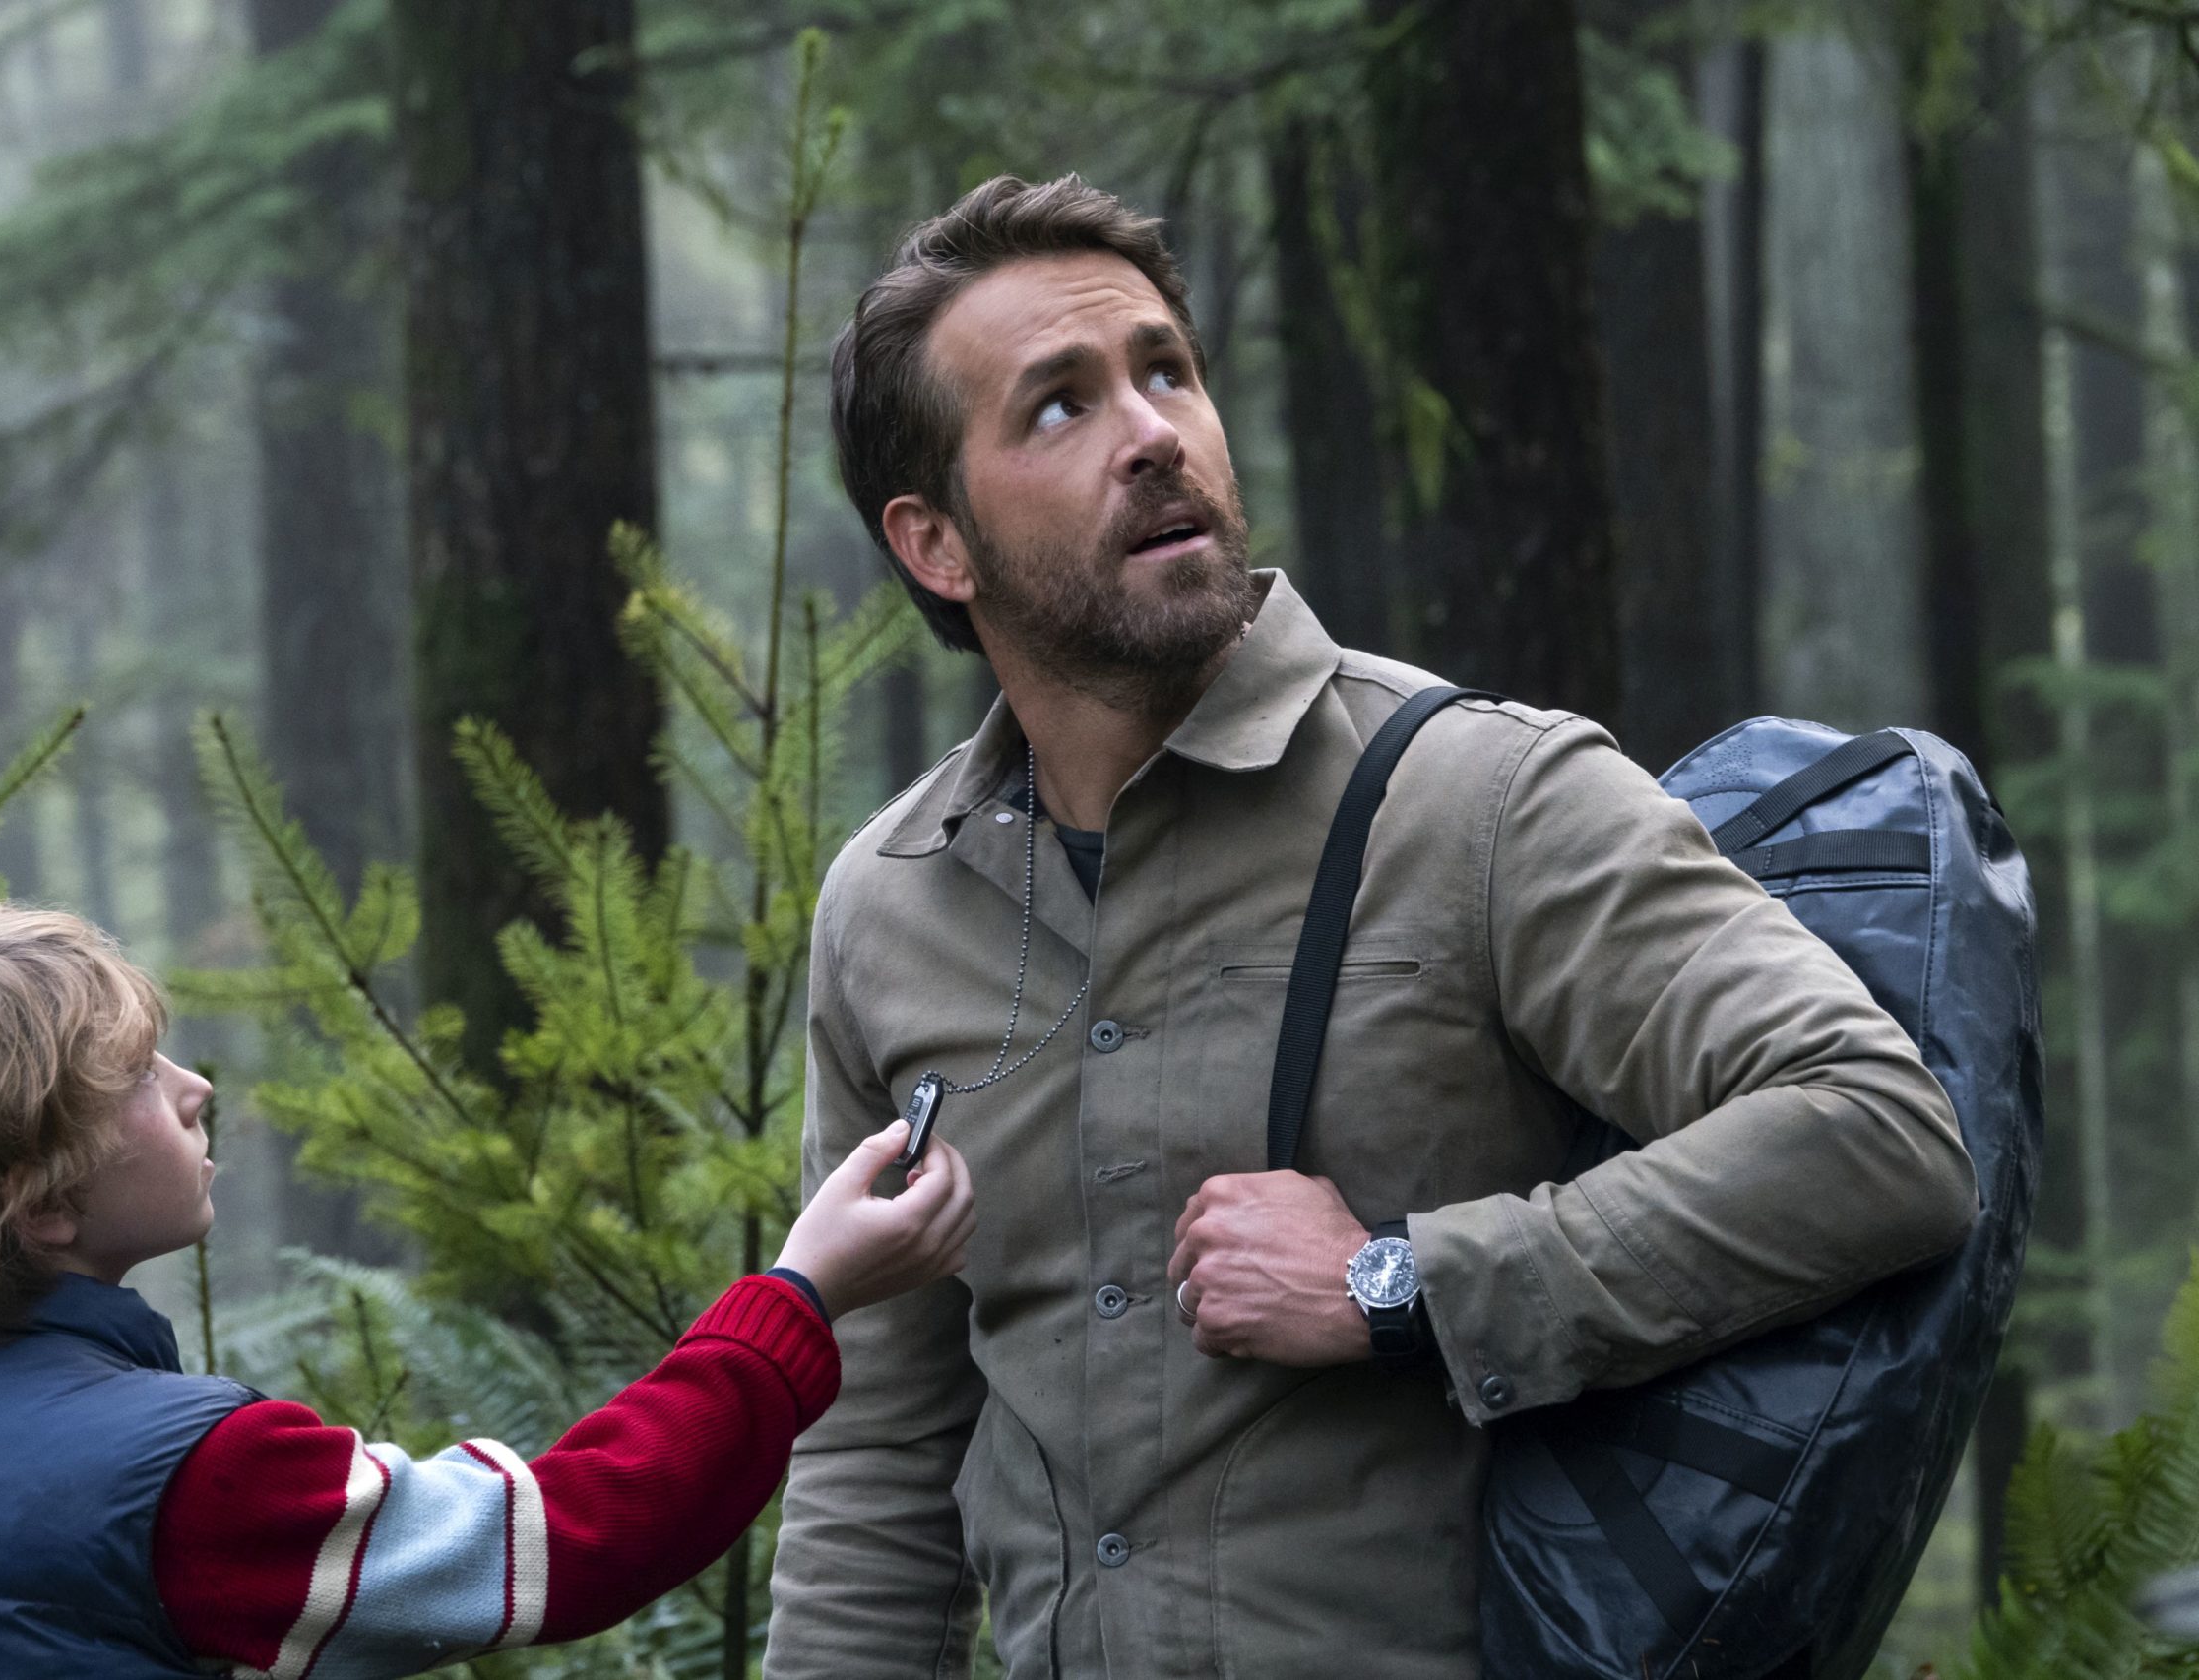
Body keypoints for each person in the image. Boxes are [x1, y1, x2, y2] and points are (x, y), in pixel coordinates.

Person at [760, 174, 1978, 1679]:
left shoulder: (1481, 797)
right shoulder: (892, 906)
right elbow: (879, 1459)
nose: (1152, 432)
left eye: (1166, 371)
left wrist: (1401, 1282)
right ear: (937, 544)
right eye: (1060, 406)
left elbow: (1878, 1130)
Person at [0, 904, 974, 1679]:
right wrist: (798, 1296)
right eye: (139, 1078)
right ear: (36, 1198)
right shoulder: (193, 1473)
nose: (196, 1087)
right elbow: (570, 1540)